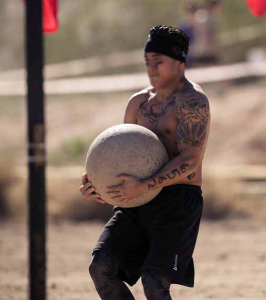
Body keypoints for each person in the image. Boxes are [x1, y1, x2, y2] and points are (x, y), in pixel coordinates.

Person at [79, 25, 211, 300]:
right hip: (137, 202)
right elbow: (121, 154)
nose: (151, 68)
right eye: (147, 61)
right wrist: (99, 185)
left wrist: (147, 184)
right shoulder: (137, 103)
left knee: (155, 280)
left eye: (158, 61)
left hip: (178, 201)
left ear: (179, 62)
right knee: (101, 267)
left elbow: (191, 159)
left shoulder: (193, 102)